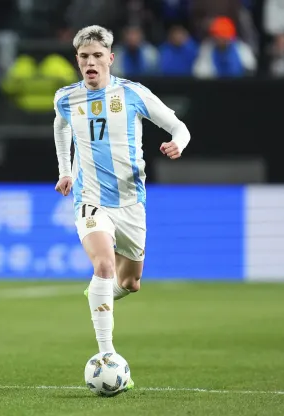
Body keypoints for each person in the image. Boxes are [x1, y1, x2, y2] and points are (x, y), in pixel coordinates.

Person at [52, 25, 192, 391]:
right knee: (103, 264)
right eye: (84, 57)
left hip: (131, 202)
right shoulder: (66, 98)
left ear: (110, 58)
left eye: (97, 56)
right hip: (91, 199)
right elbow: (61, 125)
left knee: (130, 282)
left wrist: (178, 143)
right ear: (78, 61)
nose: (90, 62)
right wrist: (66, 171)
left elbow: (178, 126)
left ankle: (100, 291)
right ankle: (107, 355)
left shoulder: (131, 94)